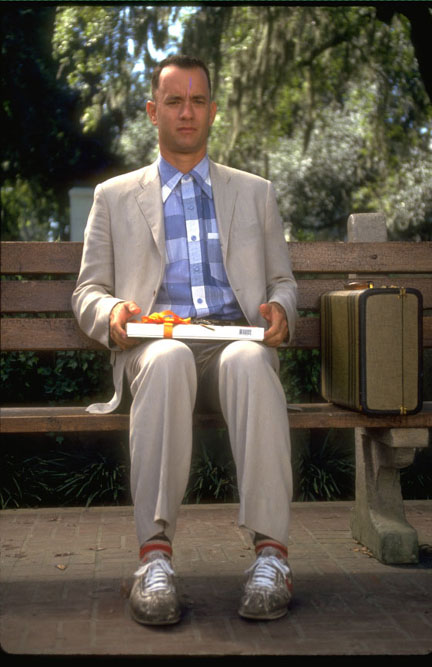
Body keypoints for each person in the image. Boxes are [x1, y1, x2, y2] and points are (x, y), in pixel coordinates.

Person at [72, 55, 298, 625]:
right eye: (174, 101)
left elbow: (282, 281)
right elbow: (88, 291)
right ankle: (154, 560)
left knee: (250, 360)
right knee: (170, 356)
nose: (187, 112)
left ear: (213, 111)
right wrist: (113, 312)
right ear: (154, 112)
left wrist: (282, 310)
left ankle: (272, 558)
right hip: (155, 346)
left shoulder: (255, 193)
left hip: (232, 342)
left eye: (198, 101)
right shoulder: (114, 196)